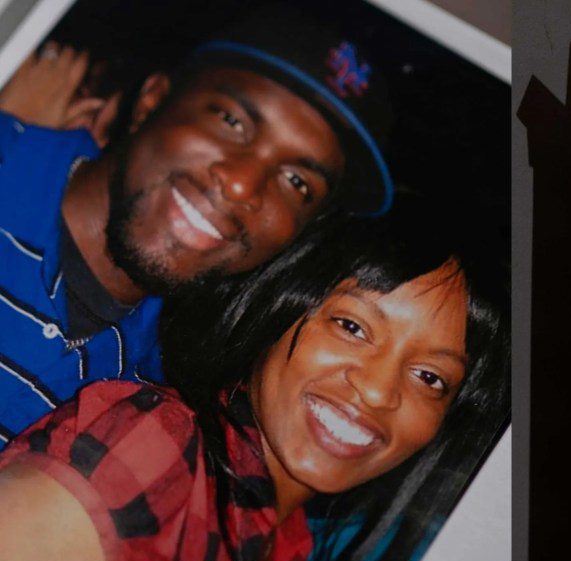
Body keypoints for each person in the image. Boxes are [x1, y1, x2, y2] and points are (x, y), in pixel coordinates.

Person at [0, 200, 511, 561]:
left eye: (430, 378)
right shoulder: (152, 447)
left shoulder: (289, 554)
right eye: (352, 326)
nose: (378, 390)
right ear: (281, 305)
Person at [0, 4, 392, 442]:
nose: (243, 185)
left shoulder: (151, 398)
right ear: (151, 102)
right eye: (231, 121)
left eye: (297, 182)